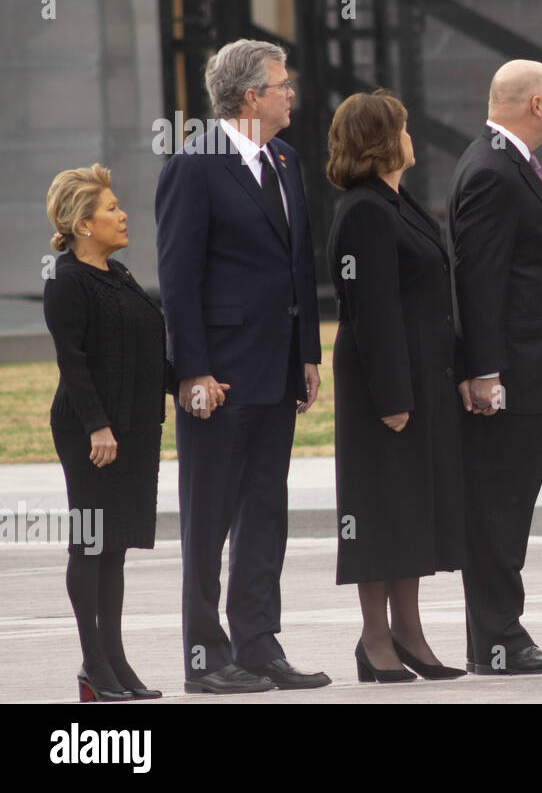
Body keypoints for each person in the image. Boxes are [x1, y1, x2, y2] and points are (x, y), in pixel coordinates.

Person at [155, 39, 329, 692]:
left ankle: (257, 643)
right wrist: (192, 372)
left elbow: (298, 266)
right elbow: (179, 278)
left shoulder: (284, 160)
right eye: (282, 85)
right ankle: (206, 657)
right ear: (252, 95)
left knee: (265, 509)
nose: (291, 95)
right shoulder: (194, 166)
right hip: (218, 378)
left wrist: (307, 351)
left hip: (277, 369)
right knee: (209, 519)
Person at [448, 59, 542, 675]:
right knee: (500, 509)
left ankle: (497, 636)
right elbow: (477, 280)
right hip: (511, 378)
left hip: (530, 373)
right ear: (536, 105)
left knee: (510, 506)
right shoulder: (492, 171)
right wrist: (485, 372)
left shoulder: (506, 164)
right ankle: (498, 639)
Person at [325, 91, 468, 681]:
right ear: (383, 140)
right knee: (378, 509)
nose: (412, 137)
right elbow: (372, 311)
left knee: (410, 509)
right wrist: (393, 398)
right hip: (382, 388)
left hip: (421, 380)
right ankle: (375, 638)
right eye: (403, 128)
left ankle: (409, 631)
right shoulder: (362, 209)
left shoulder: (397, 201)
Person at [44, 166, 170, 701]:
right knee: (91, 541)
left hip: (132, 429)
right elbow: (72, 362)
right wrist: (98, 425)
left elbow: (142, 354)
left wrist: (188, 384)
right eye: (112, 208)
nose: (123, 215)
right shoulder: (65, 278)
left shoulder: (118, 275)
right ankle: (94, 663)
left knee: (113, 545)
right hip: (89, 430)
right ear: (83, 223)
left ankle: (113, 662)